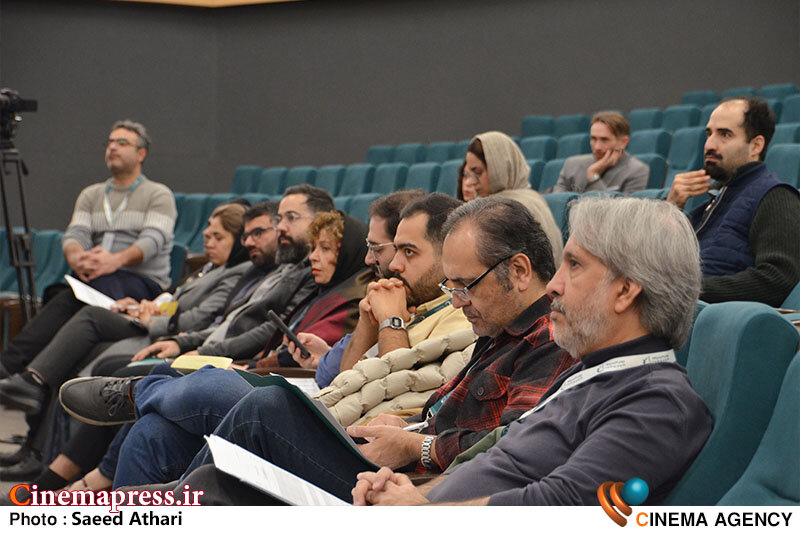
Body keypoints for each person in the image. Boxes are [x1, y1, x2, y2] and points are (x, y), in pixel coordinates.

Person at [128, 196, 581, 505]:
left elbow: (510, 450)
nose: (458, 301)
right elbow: (445, 414)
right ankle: (132, 509)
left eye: (466, 286)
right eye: (452, 287)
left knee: (266, 408)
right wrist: (410, 425)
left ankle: (135, 411)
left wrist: (418, 444)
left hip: (411, 492)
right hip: (390, 461)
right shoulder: (499, 328)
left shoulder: (549, 339)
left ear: (519, 270)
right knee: (203, 474)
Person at [351, 196, 713, 506]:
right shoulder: (589, 375)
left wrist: (421, 513)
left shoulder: (656, 402)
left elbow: (561, 503)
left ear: (625, 292)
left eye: (574, 265)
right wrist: (407, 494)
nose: (553, 284)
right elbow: (496, 466)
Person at [0, 202, 253, 486]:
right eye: (207, 235)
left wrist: (154, 318)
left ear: (237, 241)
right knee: (76, 343)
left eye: (218, 237)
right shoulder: (207, 268)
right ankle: (39, 446)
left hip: (166, 335)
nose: (208, 242)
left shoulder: (235, 273)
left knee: (99, 339)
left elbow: (200, 317)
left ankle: (52, 454)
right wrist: (145, 305)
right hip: (154, 323)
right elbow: (174, 300)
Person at [0, 120, 177, 380]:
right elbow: (76, 234)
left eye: (122, 143)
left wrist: (115, 261)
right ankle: (26, 376)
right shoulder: (91, 194)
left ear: (141, 154)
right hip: (97, 277)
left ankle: (12, 367)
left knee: (67, 300)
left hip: (141, 282)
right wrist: (78, 258)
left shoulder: (158, 194)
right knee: (62, 295)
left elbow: (153, 240)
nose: (112, 147)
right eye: (109, 142)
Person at [666, 96, 800, 306]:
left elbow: (778, 279)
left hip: (708, 317)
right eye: (709, 134)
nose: (709, 144)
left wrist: (688, 291)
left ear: (756, 145)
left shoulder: (776, 196)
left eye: (725, 135)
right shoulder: (713, 202)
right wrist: (670, 207)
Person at [457, 131, 563, 265]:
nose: (472, 182)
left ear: (499, 168)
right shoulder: (533, 197)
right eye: (468, 174)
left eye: (478, 172)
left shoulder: (504, 208)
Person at [552, 111, 649, 194]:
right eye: (593, 139)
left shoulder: (637, 171)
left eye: (604, 140)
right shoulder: (571, 165)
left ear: (623, 142)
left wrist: (593, 176)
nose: (597, 147)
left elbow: (620, 209)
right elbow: (557, 204)